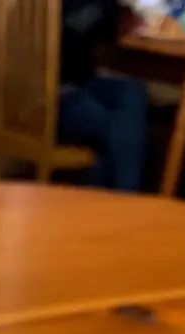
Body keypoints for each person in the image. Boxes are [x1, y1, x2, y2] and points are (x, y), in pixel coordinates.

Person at [57, 0, 149, 191]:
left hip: (80, 83)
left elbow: (104, 44)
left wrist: (123, 17)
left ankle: (121, 196)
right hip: (49, 95)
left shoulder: (104, 6)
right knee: (122, 132)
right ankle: (126, 199)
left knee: (133, 91)